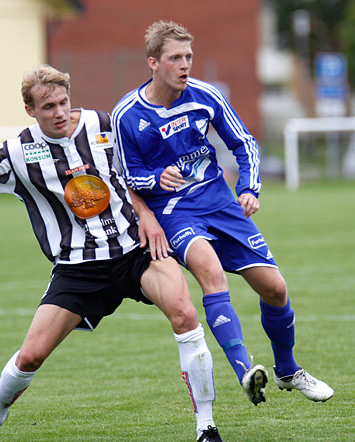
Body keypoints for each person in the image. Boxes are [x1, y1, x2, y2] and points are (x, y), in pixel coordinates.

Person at [0, 65, 224, 442]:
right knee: (31, 357)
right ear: (30, 110)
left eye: (63, 102)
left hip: (134, 252)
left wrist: (149, 215)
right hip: (77, 269)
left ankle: (206, 427)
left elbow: (139, 173)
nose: (58, 112)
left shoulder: (105, 125)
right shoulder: (17, 152)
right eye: (48, 106)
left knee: (185, 314)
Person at [112, 21, 333, 407]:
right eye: (175, 58)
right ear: (153, 63)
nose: (185, 65)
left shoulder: (204, 95)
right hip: (176, 213)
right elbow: (124, 174)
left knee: (275, 288)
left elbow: (243, 142)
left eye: (188, 57)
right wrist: (154, 177)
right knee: (212, 274)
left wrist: (248, 187)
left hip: (220, 202)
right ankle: (245, 370)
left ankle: (286, 369)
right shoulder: (127, 114)